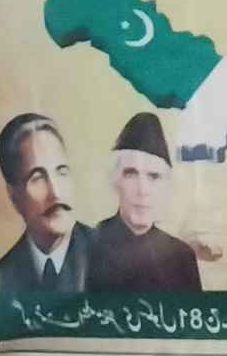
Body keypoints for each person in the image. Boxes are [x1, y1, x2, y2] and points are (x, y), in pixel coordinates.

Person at [87, 112, 203, 293]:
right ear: (116, 180)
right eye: (131, 174)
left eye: (153, 177)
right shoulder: (86, 250)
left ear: (165, 185)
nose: (142, 190)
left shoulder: (182, 258)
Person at [0, 112, 92, 292]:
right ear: (14, 196)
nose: (55, 193)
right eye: (37, 178)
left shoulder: (113, 261)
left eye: (61, 172)